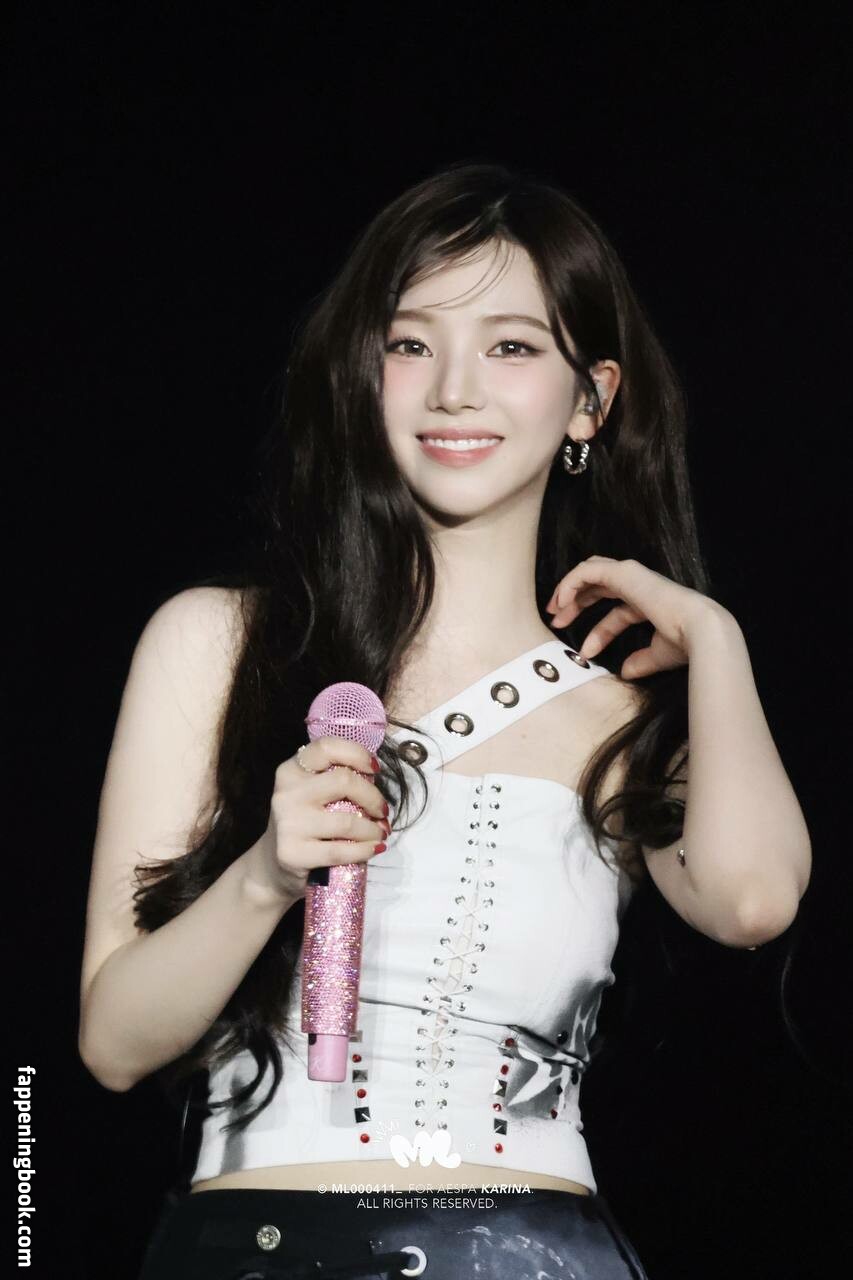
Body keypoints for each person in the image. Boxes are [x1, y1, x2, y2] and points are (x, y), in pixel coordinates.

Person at [78, 161, 811, 1279]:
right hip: (256, 1247)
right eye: (411, 343)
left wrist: (716, 641)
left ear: (589, 400)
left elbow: (753, 902)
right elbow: (113, 1042)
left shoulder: (624, 709)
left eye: (510, 347)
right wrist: (266, 875)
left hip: (526, 1251)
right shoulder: (219, 642)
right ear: (360, 374)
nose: (454, 389)